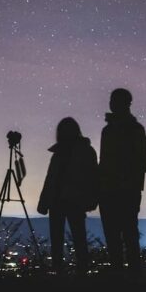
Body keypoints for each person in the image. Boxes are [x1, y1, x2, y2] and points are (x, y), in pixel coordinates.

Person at [37, 117, 98, 274]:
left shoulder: (71, 152)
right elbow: (51, 179)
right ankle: (70, 273)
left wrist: (44, 202)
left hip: (71, 200)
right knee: (70, 239)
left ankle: (74, 273)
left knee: (73, 239)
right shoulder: (81, 151)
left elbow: (92, 177)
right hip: (64, 201)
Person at [99, 88, 146, 274]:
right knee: (121, 235)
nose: (111, 104)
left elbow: (142, 163)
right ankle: (123, 277)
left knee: (125, 235)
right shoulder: (111, 130)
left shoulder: (132, 130)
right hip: (119, 191)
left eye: (114, 100)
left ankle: (125, 278)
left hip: (123, 191)